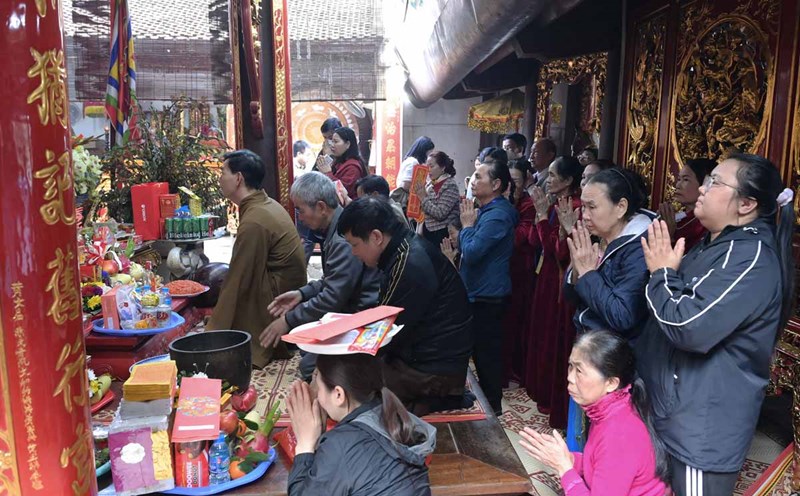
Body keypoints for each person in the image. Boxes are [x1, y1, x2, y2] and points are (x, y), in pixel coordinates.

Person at [636, 154, 795, 495]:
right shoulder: (716, 244)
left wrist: (662, 273)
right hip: (672, 409)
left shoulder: (749, 258)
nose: (703, 189)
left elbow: (687, 326)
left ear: (747, 203)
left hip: (698, 430)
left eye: (715, 182)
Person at [338, 197, 474, 416]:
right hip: (427, 355)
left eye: (355, 245)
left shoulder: (409, 263)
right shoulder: (403, 249)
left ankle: (435, 399)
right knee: (340, 366)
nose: (354, 253)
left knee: (348, 382)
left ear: (376, 237)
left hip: (433, 369)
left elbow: (386, 332)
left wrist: (347, 348)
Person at [259, 172, 381, 378]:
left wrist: (288, 320)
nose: (300, 217)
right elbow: (331, 280)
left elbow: (333, 297)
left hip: (361, 317)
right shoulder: (335, 228)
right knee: (307, 347)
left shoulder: (343, 238)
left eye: (301, 210)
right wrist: (302, 293)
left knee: (309, 368)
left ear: (322, 207)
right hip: (350, 310)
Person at [518, 330, 668, 496]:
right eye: (571, 366)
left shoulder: (619, 434)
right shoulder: (609, 410)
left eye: (580, 371)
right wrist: (569, 459)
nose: (570, 378)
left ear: (611, 383)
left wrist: (564, 469)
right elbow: (600, 466)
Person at [207, 150, 307, 367]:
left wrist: (212, 334)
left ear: (238, 178)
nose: (219, 179)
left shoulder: (255, 219)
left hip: (280, 297)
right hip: (285, 287)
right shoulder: (263, 204)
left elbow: (239, 278)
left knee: (235, 282)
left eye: (223, 172)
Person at [287, 353, 436, 495]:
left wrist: (305, 445)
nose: (315, 392)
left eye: (317, 384)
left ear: (338, 394)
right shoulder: (393, 414)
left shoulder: (340, 443)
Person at [523, 156, 582, 428]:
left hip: (559, 281)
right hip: (544, 277)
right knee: (541, 333)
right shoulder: (556, 204)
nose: (549, 180)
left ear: (569, 181)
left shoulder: (576, 208)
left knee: (553, 338)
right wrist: (542, 215)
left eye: (555, 175)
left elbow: (558, 251)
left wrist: (545, 217)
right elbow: (537, 241)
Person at [459, 156, 518, 415]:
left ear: (495, 184)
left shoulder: (498, 216)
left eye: (479, 177)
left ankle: (492, 408)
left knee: (487, 357)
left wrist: (466, 229)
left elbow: (472, 252)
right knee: (478, 353)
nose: (473, 181)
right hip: (477, 293)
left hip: (487, 297)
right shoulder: (487, 211)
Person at [565, 167, 653, 338]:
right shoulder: (597, 236)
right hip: (589, 343)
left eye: (592, 207)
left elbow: (623, 316)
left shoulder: (640, 249)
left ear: (621, 207)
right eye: (583, 207)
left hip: (613, 353)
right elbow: (571, 298)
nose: (585, 216)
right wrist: (577, 271)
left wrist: (588, 274)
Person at [504, 159, 538, 385]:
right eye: (509, 181)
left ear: (526, 180)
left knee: (516, 321)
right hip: (503, 268)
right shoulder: (504, 203)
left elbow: (520, 238)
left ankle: (515, 370)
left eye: (516, 181)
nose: (512, 186)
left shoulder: (529, 205)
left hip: (521, 269)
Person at [658, 158, 716, 251]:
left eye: (685, 180)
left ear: (705, 185)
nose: (677, 185)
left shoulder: (705, 225)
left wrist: (669, 236)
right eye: (679, 179)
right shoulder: (681, 218)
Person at [415, 151, 461, 246]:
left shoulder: (450, 185)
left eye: (431, 166)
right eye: (427, 166)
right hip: (427, 232)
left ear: (443, 167)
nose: (428, 170)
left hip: (441, 234)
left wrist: (423, 198)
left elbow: (440, 213)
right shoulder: (430, 184)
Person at [317, 127, 368, 200]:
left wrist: (328, 173)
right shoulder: (339, 161)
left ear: (347, 144)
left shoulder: (353, 167)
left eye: (336, 141)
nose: (332, 145)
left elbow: (344, 193)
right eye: (332, 141)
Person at [393, 136, 435, 213]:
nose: (430, 155)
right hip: (407, 201)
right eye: (430, 152)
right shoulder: (413, 162)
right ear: (423, 151)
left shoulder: (410, 161)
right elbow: (405, 185)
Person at [294, 140, 318, 263]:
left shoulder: (303, 168)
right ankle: (300, 267)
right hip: (299, 209)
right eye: (307, 155)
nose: (309, 158)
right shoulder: (293, 170)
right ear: (299, 154)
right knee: (307, 239)